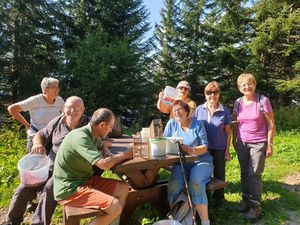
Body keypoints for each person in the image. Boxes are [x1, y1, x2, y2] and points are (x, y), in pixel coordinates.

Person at [3, 96, 89, 225]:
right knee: (24, 187)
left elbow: (108, 134)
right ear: (64, 108)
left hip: (71, 171)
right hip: (50, 166)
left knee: (49, 188)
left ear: (83, 110)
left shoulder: (90, 125)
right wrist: (37, 144)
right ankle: (11, 222)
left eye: (76, 108)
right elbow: (40, 135)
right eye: (69, 107)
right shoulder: (58, 121)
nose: (72, 111)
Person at [53, 108, 132, 225]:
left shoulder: (92, 134)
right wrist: (125, 155)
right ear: (102, 124)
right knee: (115, 206)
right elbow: (104, 165)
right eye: (110, 126)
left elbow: (102, 144)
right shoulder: (81, 137)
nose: (111, 130)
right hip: (69, 188)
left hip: (84, 180)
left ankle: (110, 222)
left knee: (123, 188)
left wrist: (106, 151)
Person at [232, 73, 275, 222]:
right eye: (243, 84)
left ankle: (255, 206)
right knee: (244, 171)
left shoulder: (263, 101)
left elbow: (271, 124)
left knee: (254, 173)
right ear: (239, 88)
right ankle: (245, 200)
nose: (247, 86)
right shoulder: (237, 102)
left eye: (249, 83)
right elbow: (236, 123)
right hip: (242, 142)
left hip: (259, 142)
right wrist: (234, 139)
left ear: (254, 85)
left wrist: (270, 144)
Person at [163, 100, 213, 225]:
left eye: (179, 109)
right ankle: (177, 219)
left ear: (186, 111)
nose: (176, 112)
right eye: (174, 110)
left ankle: (205, 221)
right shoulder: (171, 124)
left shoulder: (197, 124)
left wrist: (191, 150)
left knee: (195, 182)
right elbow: (163, 142)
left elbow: (205, 147)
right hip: (180, 163)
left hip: (200, 161)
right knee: (174, 185)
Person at [193, 81, 231, 209]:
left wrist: (227, 150)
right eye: (209, 93)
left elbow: (228, 132)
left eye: (215, 93)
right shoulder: (199, 109)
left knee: (220, 173)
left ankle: (219, 199)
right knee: (204, 172)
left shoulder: (224, 110)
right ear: (205, 95)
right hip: (203, 148)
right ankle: (205, 197)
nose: (212, 95)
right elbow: (193, 127)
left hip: (219, 147)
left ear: (219, 94)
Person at [7, 77, 65, 151]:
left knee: (52, 161)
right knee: (35, 161)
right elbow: (12, 109)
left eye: (58, 87)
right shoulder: (35, 100)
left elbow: (66, 112)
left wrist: (60, 125)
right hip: (35, 137)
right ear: (45, 89)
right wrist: (26, 125)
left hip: (53, 137)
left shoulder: (59, 100)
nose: (58, 89)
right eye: (54, 87)